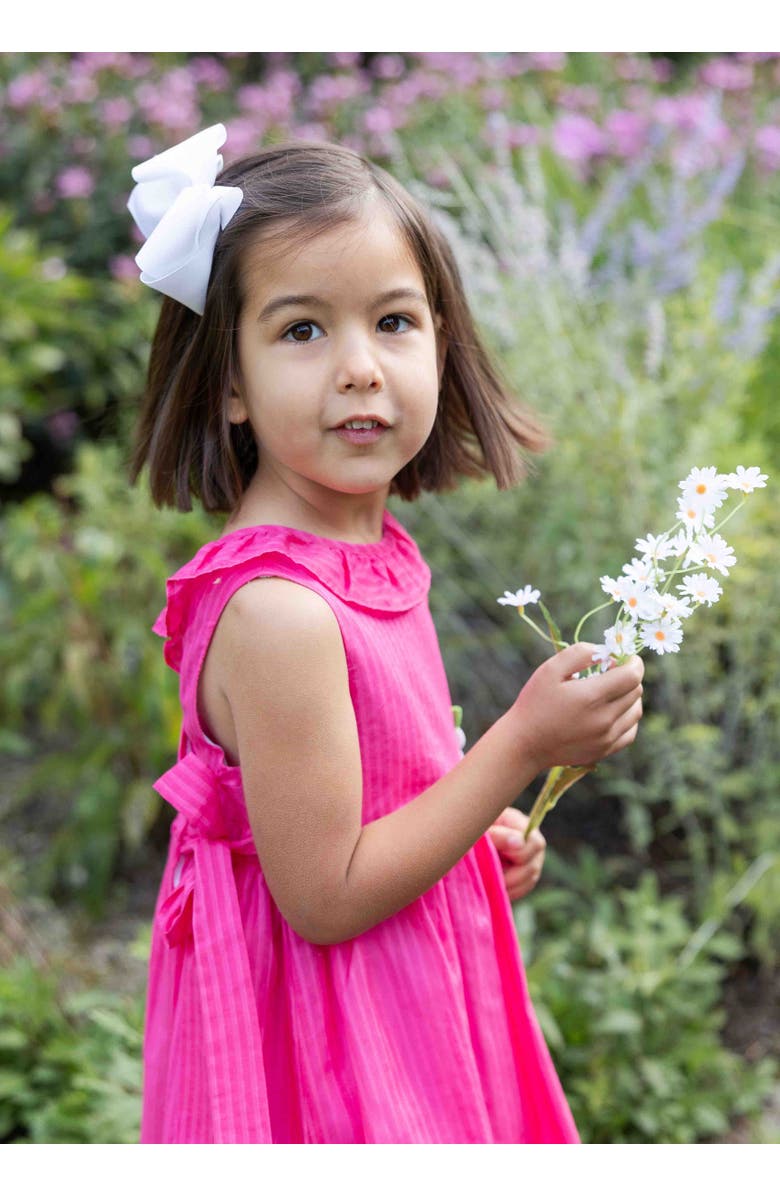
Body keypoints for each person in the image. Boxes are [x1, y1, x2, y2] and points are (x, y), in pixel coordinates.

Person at [127, 124, 644, 1144]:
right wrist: (519, 746)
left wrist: (464, 838)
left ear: (442, 343)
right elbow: (324, 896)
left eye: (394, 321)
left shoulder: (366, 552)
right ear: (229, 381)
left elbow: (369, 806)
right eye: (302, 330)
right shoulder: (281, 612)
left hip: (398, 988)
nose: (361, 368)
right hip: (330, 1037)